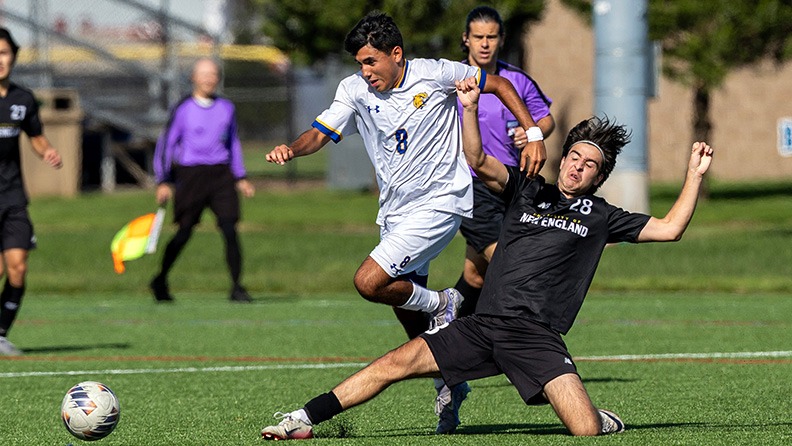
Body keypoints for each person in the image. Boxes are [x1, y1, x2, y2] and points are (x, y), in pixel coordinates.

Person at [257, 76, 714, 440]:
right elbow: (476, 159)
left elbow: (671, 229)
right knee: (393, 364)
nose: (577, 166)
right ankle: (302, 418)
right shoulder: (529, 188)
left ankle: (598, 415)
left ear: (600, 176)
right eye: (574, 156)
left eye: (589, 164)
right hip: (482, 325)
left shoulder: (602, 215)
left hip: (536, 336)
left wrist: (692, 175)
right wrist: (471, 108)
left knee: (586, 430)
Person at [263, 11, 547, 434]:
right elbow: (321, 132)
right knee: (406, 312)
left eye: (371, 61)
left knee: (368, 281)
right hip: (395, 213)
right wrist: (292, 148)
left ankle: (445, 303)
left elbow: (501, 84)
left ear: (396, 54)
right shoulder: (353, 90)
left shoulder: (436, 75)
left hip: (441, 203)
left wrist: (534, 133)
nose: (365, 71)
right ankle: (449, 381)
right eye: (360, 63)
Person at [455, 6, 556, 316]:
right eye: (479, 37)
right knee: (508, 261)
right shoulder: (451, 79)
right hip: (468, 184)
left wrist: (533, 133)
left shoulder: (516, 80)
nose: (485, 43)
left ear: (501, 39)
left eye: (492, 37)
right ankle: (525, 336)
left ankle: (447, 322)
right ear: (466, 40)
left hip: (510, 184)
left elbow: (545, 119)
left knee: (476, 274)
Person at [151, 57, 255, 303]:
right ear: (194, 78)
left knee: (230, 229)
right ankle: (160, 279)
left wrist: (240, 176)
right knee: (184, 231)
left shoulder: (227, 108)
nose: (209, 79)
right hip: (191, 175)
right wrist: (164, 180)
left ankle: (237, 286)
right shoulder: (183, 109)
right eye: (204, 74)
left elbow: (233, 143)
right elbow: (166, 145)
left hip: (221, 175)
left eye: (213, 75)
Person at [0, 28, 63, 356]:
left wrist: (48, 151)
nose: (0, 60)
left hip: (12, 196)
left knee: (18, 266)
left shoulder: (22, 99)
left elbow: (36, 136)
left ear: (14, 57)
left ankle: (0, 333)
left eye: (5, 53)